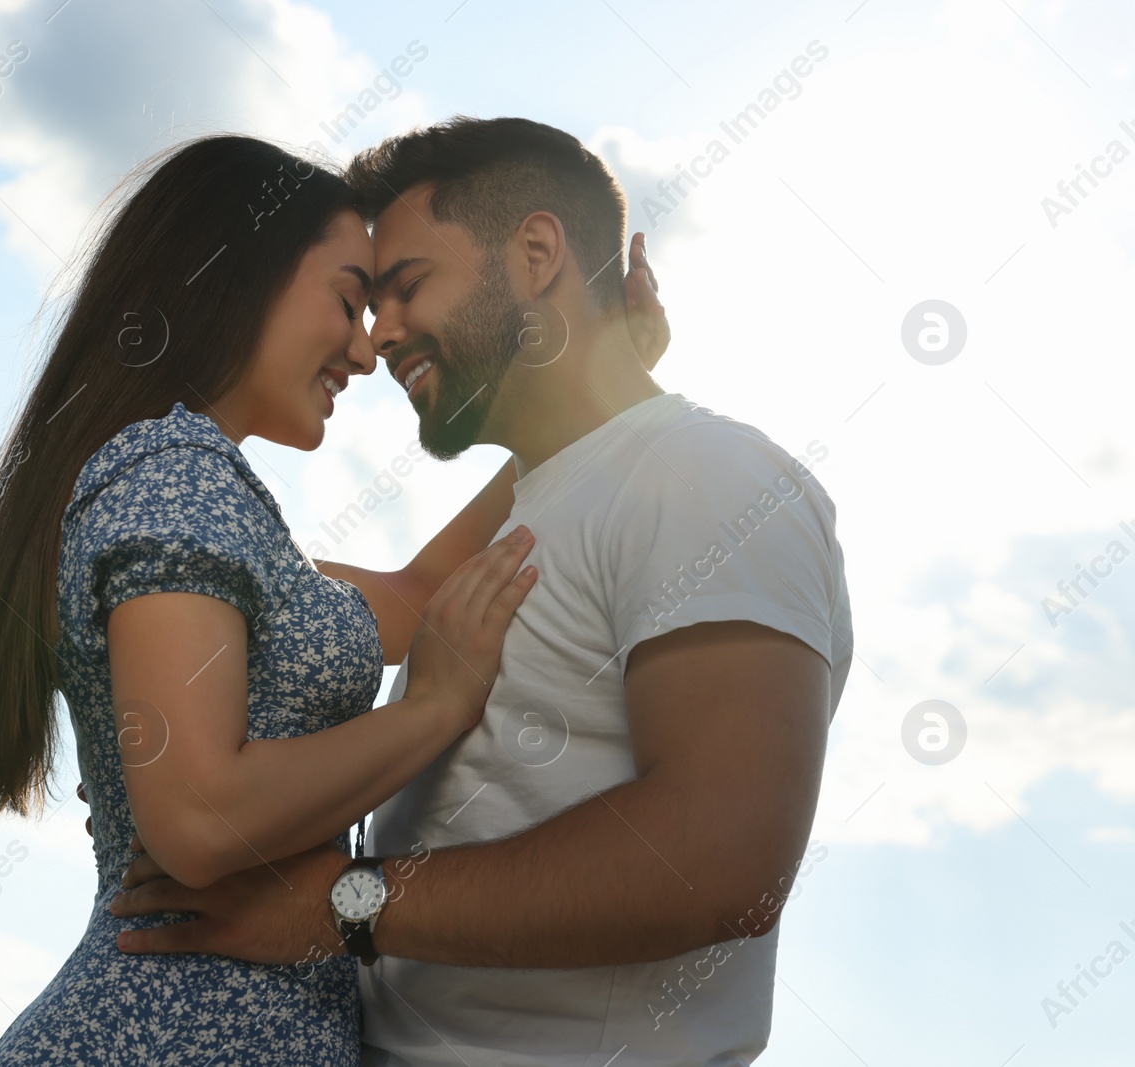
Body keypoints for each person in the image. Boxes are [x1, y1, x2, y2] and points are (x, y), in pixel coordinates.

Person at [0, 132, 671, 1066]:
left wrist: (609, 381)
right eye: (350, 299)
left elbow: (429, 590)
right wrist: (434, 708)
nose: (364, 347)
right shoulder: (170, 472)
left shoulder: (219, 515)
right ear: (241, 277)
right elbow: (196, 814)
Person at [111, 117, 853, 1066]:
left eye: (406, 287)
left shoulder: (708, 475)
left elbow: (722, 859)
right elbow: (303, 596)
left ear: (537, 251)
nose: (377, 339)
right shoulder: (541, 509)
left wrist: (343, 903)